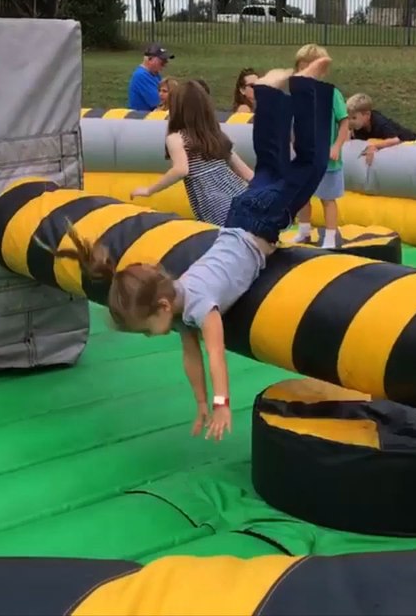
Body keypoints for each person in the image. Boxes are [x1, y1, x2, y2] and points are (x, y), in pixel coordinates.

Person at [55, 57, 335, 441]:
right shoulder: (181, 298)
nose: (153, 335)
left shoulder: (201, 306)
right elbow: (192, 358)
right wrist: (202, 403)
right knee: (272, 166)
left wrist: (222, 401)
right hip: (239, 212)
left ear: (163, 307)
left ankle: (305, 87)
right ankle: (268, 92)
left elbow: (215, 354)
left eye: (148, 329)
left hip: (257, 224)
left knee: (312, 164)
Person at [131, 80, 253, 224]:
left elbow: (181, 170)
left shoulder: (177, 138)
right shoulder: (216, 135)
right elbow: (246, 173)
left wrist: (149, 190)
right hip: (240, 195)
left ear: (177, 108)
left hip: (214, 203)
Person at [291, 44, 350, 249]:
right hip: (306, 154)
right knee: (303, 195)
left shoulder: (331, 94)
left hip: (328, 157)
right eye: (301, 69)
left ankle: (331, 236)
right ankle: (304, 230)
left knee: (327, 197)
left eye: (310, 69)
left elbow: (344, 122)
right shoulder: (296, 94)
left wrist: (336, 146)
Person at [345, 93, 416, 166]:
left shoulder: (380, 123)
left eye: (354, 118)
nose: (350, 122)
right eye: (348, 118)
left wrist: (374, 146)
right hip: (385, 142)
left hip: (408, 141)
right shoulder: (358, 126)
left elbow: (395, 140)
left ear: (367, 115)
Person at [128, 43, 173, 111]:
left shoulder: (154, 74)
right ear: (150, 59)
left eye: (166, 61)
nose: (165, 64)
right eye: (162, 61)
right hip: (142, 119)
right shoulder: (141, 76)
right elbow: (160, 102)